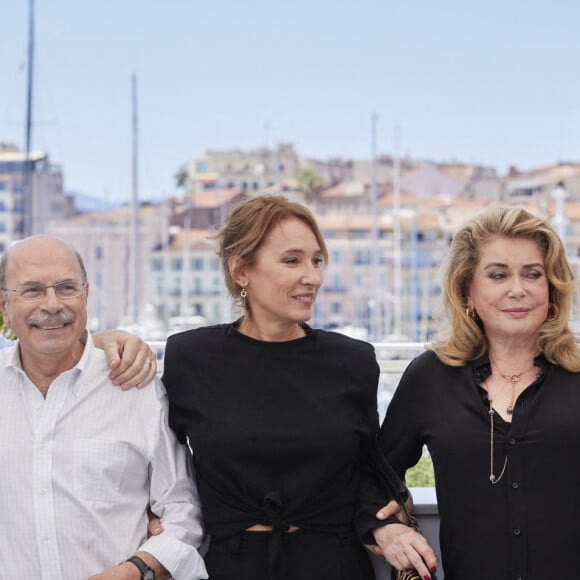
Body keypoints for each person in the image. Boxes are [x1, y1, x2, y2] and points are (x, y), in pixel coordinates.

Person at [161, 195, 382, 580]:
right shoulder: (190, 357)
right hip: (231, 567)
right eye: (292, 260)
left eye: (316, 261)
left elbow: (375, 473)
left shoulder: (353, 361)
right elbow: (153, 463)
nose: (312, 276)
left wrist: (389, 522)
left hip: (335, 567)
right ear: (241, 270)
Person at [364, 205, 580, 579]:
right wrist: (386, 528)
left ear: (552, 290)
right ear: (468, 290)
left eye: (533, 274)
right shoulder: (430, 377)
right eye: (498, 275)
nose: (518, 289)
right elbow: (373, 474)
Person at [0, 235, 208, 580]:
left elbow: (185, 512)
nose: (52, 304)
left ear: (87, 294)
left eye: (67, 288)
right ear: (4, 305)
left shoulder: (135, 390)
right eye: (32, 290)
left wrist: (138, 569)